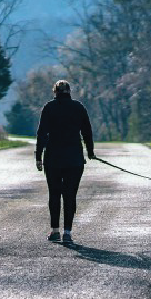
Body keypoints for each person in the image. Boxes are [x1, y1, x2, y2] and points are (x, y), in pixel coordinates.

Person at [35, 79, 95, 243]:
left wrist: (38, 156)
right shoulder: (78, 107)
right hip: (74, 159)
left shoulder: (49, 108)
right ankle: (67, 233)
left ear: (55, 92)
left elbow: (42, 134)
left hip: (53, 159)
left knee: (54, 194)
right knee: (70, 196)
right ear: (69, 92)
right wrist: (90, 152)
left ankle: (55, 231)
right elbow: (87, 132)